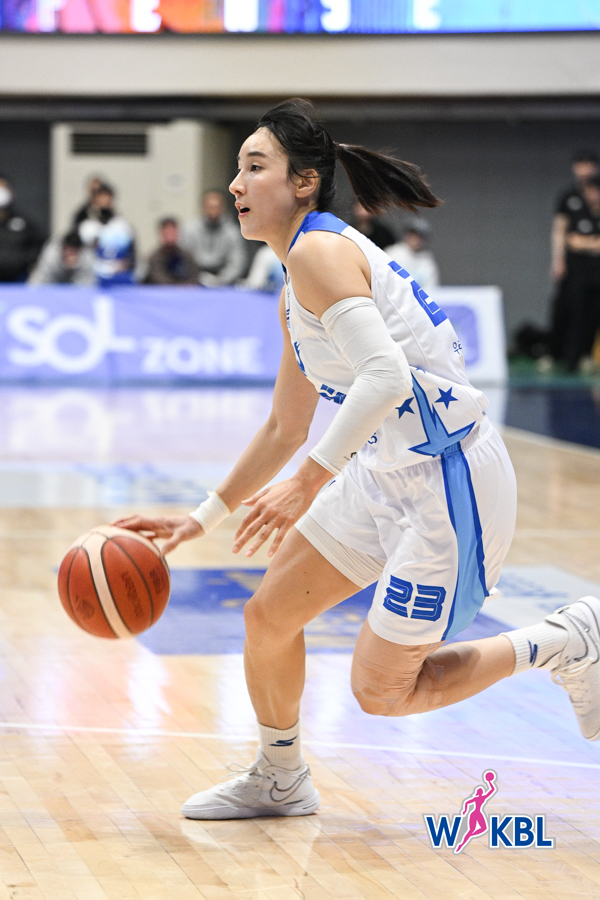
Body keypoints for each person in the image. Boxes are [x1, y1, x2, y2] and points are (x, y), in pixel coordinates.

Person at [115, 99, 600, 821]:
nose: (237, 184)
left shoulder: (319, 253)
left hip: (449, 482)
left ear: (303, 182)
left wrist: (309, 482)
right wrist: (200, 518)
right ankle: (281, 778)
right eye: (238, 169)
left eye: (255, 167)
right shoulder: (294, 278)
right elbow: (285, 426)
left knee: (383, 693)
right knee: (268, 617)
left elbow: (386, 377)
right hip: (381, 473)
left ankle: (567, 638)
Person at [545, 151, 600, 370]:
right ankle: (558, 355)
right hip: (575, 267)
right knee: (568, 308)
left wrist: (584, 243)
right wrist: (557, 260)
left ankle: (585, 355)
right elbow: (561, 232)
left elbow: (577, 240)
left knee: (593, 311)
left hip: (596, 268)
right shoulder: (568, 197)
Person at [181, 189, 246, 286]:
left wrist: (221, 279)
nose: (213, 211)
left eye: (217, 207)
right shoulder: (189, 230)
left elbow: (237, 262)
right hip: (195, 279)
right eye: (210, 207)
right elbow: (184, 259)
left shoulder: (232, 232)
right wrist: (198, 278)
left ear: (223, 208)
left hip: (224, 282)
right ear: (203, 207)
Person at [77, 183, 136, 287]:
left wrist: (127, 265)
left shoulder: (123, 226)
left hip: (120, 279)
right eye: (101, 197)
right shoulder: (87, 227)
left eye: (107, 197)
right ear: (94, 200)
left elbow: (132, 255)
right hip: (93, 281)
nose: (105, 201)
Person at [0, 174, 44, 282]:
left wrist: (24, 261)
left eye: (3, 188)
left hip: (19, 281)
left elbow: (38, 247)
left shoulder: (24, 223)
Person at [385, 218, 439, 290]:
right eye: (413, 234)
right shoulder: (392, 253)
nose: (416, 239)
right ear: (406, 235)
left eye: (420, 236)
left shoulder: (427, 261)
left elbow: (431, 287)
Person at [144, 217, 199, 285]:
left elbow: (195, 276)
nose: (170, 235)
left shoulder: (187, 255)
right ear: (161, 233)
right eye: (167, 232)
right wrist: (179, 286)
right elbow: (158, 279)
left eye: (173, 231)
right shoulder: (154, 258)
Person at [28, 230, 95, 285]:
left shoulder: (87, 257)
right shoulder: (51, 254)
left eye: (74, 252)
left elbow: (88, 286)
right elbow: (38, 281)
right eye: (68, 251)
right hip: (52, 283)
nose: (70, 256)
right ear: (63, 249)